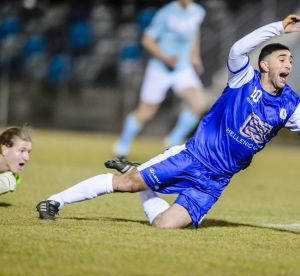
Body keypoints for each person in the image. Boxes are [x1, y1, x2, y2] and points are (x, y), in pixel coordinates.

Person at [36, 14, 300, 229]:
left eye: (291, 59)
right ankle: (54, 201)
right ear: (264, 66)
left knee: (164, 225)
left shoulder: (290, 104)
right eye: (282, 59)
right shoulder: (243, 79)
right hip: (193, 157)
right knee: (127, 184)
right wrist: (278, 27)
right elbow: (237, 49)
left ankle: (143, 180)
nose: (288, 63)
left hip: (216, 181)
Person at [113, 0, 207, 158]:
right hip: (160, 69)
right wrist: (165, 58)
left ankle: (173, 140)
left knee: (198, 104)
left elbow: (194, 33)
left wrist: (195, 57)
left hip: (183, 68)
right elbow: (147, 40)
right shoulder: (166, 13)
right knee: (146, 113)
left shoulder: (198, 11)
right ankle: (122, 145)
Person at [0, 126, 32, 195]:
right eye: (22, 150)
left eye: (28, 152)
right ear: (5, 149)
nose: (27, 158)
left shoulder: (8, 180)